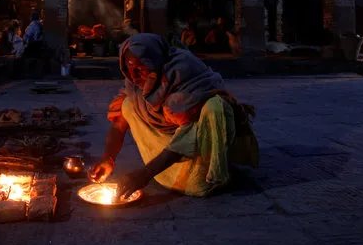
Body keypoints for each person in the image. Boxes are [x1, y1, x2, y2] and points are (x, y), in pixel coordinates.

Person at [89, 33, 258, 200]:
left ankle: (211, 175)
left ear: (155, 61)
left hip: (199, 145)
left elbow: (188, 132)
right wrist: (108, 158)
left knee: (214, 107)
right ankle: (166, 174)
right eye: (129, 67)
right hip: (169, 147)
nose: (134, 75)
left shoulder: (184, 72)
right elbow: (119, 125)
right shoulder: (136, 83)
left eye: (140, 68)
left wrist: (144, 174)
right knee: (128, 105)